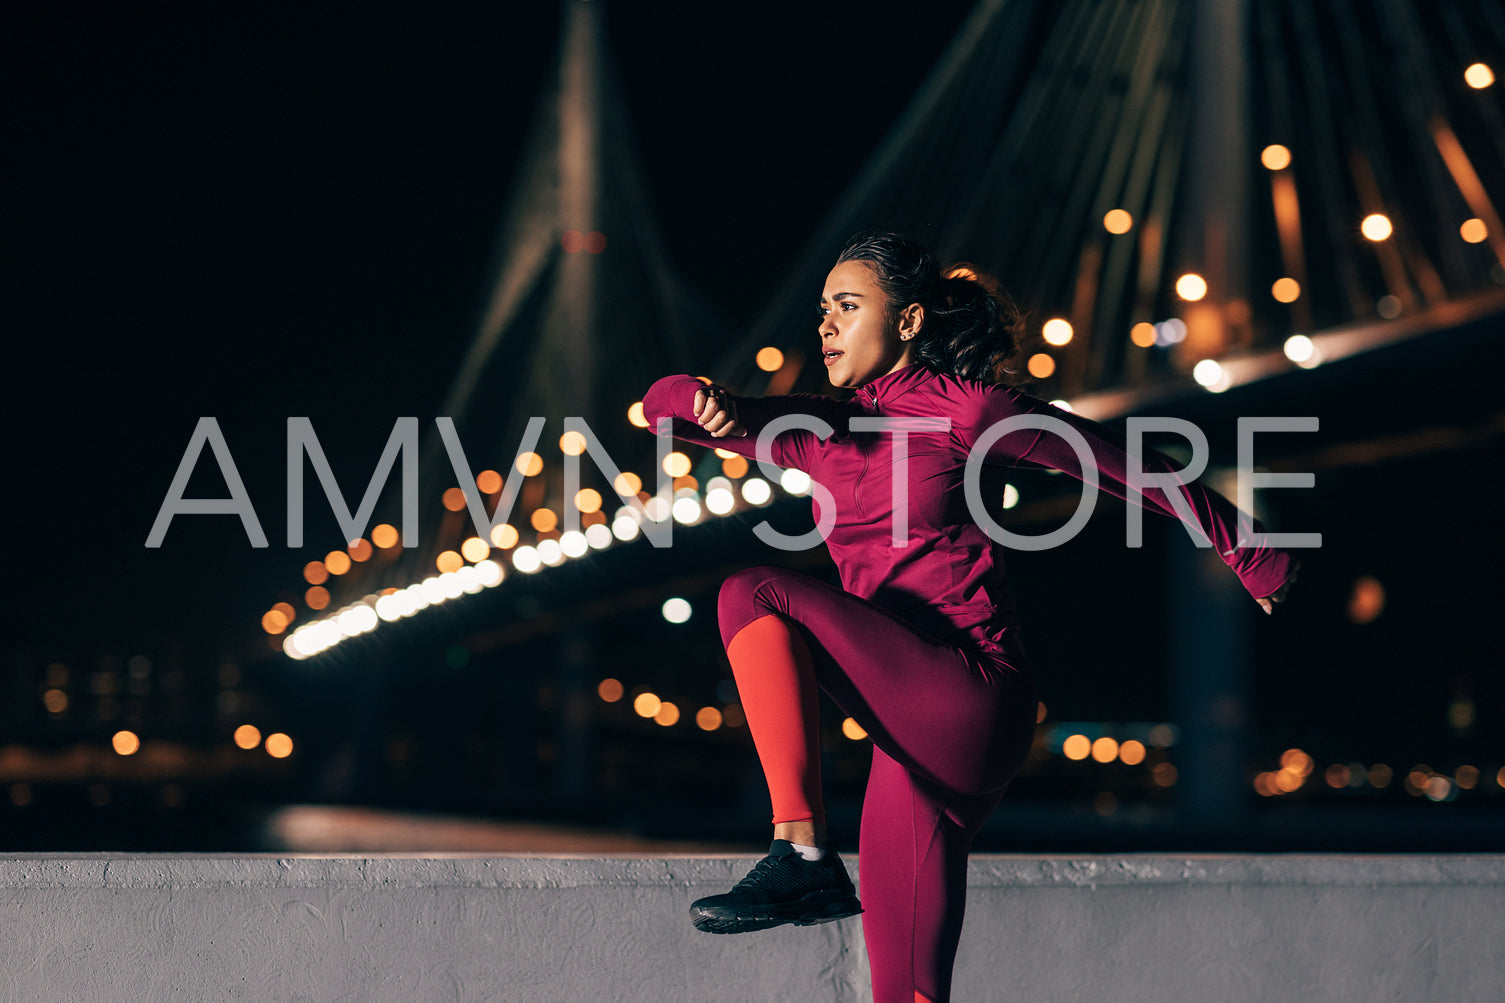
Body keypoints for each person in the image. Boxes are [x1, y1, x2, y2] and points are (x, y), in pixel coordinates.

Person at [640, 231, 1299, 1003]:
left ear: (910, 320)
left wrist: (1248, 548)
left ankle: (802, 853)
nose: (823, 327)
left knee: (752, 592)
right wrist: (695, 397)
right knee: (907, 992)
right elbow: (662, 416)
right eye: (820, 311)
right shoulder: (820, 432)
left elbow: (1123, 464)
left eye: (846, 308)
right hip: (909, 733)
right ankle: (808, 864)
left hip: (970, 692)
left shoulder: (968, 409)